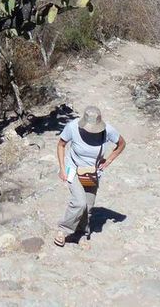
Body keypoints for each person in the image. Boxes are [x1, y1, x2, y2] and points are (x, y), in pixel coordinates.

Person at [53, 105, 126, 246]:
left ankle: (81, 232)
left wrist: (108, 161)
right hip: (73, 168)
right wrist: (62, 169)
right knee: (79, 202)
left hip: (92, 172)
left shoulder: (108, 131)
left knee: (88, 205)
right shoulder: (72, 127)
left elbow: (121, 144)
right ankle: (63, 230)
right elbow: (61, 145)